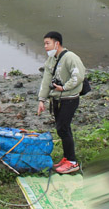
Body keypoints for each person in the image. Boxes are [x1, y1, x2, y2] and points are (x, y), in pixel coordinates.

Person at [37, 31, 86, 174]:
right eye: (44, 43)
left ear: (57, 43)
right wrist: (42, 99)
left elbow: (79, 76)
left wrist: (65, 87)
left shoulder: (70, 57)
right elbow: (46, 80)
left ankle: (72, 162)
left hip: (69, 99)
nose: (45, 47)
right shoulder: (51, 60)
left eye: (48, 43)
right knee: (63, 129)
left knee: (63, 129)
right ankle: (67, 158)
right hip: (57, 99)